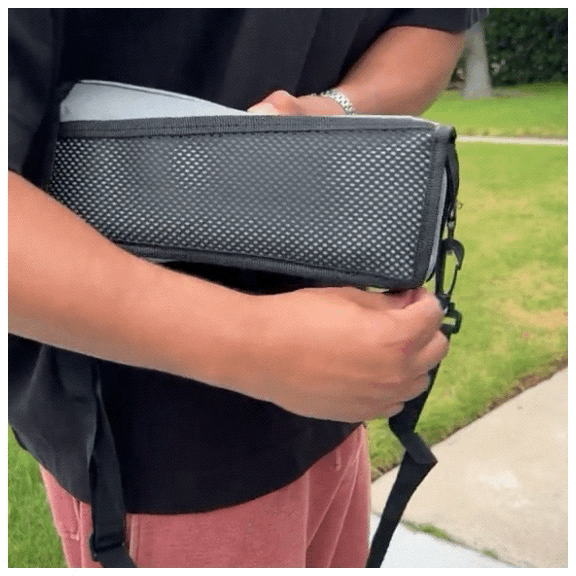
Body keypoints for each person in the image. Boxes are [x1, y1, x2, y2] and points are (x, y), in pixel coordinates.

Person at [8, 8, 485, 568]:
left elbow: (435, 24)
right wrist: (262, 345)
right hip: (160, 450)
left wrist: (330, 109)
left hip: (335, 399)